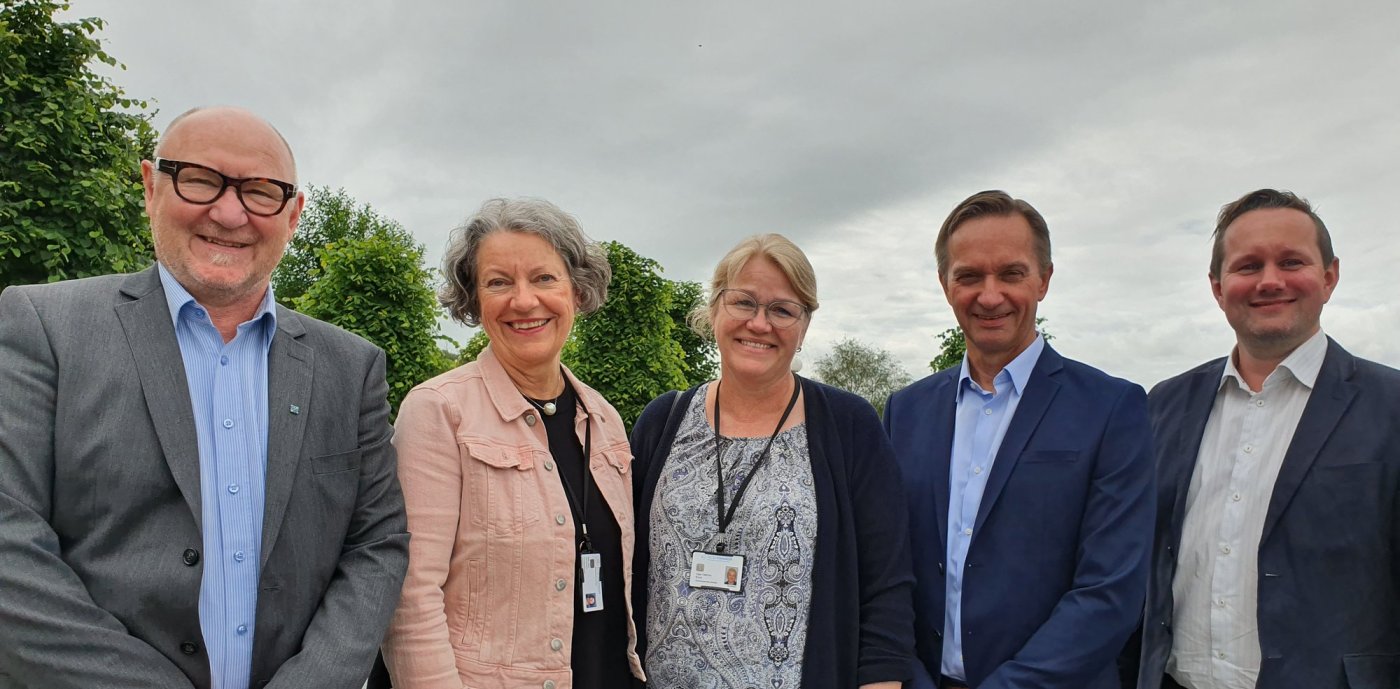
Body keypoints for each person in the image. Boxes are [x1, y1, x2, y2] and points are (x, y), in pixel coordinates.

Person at [0, 106, 409, 689]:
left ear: (293, 215)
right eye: (199, 180)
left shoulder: (351, 367)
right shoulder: (44, 327)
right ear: (150, 187)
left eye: (260, 191)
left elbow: (377, 544)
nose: (229, 212)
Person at [1130, 189, 1400, 689]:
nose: (1270, 281)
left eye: (1291, 261)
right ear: (1218, 287)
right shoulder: (1162, 405)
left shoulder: (1391, 406)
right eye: (1248, 266)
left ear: (1329, 276)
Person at [884, 190, 1155, 689]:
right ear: (945, 285)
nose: (990, 296)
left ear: (1044, 279)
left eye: (1011, 273)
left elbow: (1110, 591)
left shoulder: (1112, 408)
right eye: (969, 276)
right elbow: (885, 570)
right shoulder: (905, 412)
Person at [379, 198, 645, 689]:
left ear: (577, 291)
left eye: (544, 278)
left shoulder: (604, 418)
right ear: (473, 300)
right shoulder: (440, 411)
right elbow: (410, 596)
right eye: (499, 282)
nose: (524, 301)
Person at [631, 233, 915, 689]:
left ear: (804, 327)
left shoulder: (849, 425)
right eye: (743, 302)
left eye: (782, 310)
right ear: (715, 309)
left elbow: (886, 585)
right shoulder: (663, 421)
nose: (759, 323)